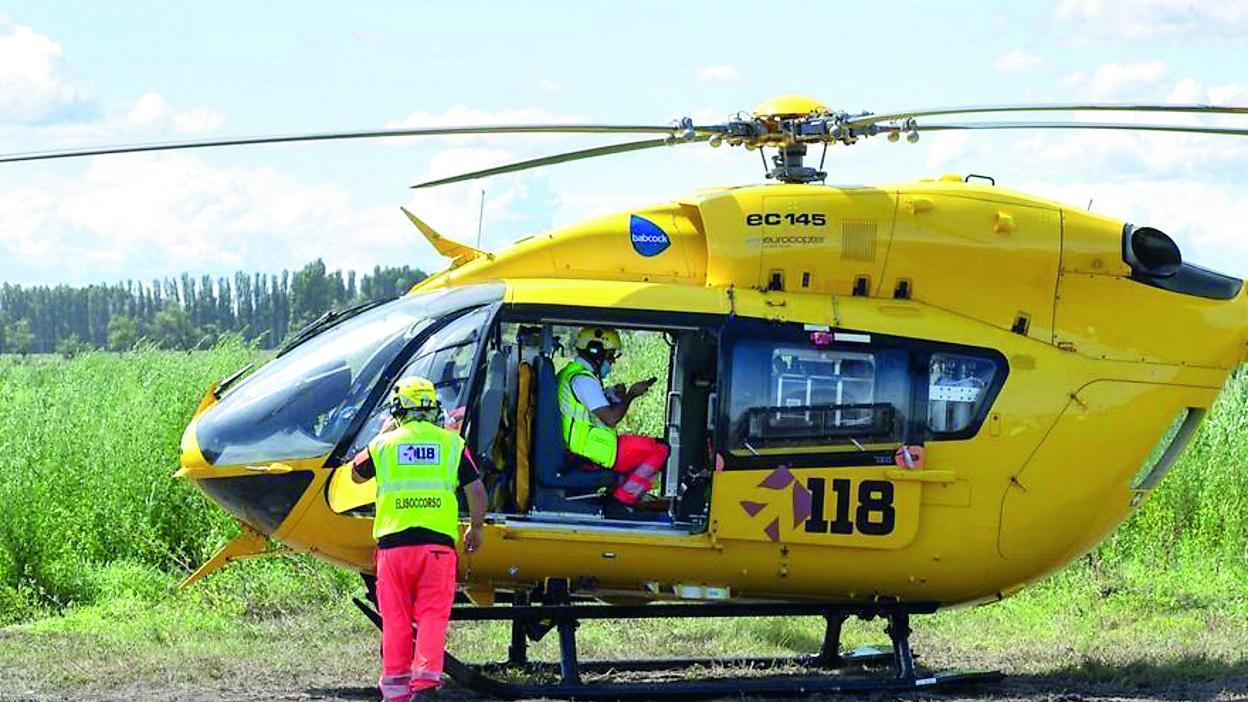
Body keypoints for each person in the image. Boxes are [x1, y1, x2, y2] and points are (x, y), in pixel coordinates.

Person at [350, 376, 487, 702]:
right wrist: (477, 528)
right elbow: (477, 491)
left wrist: (382, 435)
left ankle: (395, 691)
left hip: (393, 550)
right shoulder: (452, 443)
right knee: (432, 616)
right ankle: (425, 686)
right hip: (437, 549)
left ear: (397, 410)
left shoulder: (384, 445)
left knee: (396, 619)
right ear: (433, 409)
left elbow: (355, 475)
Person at [556, 326, 670, 508]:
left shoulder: (570, 373)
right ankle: (623, 501)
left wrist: (610, 394)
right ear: (596, 351)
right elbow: (611, 418)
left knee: (646, 448)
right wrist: (631, 395)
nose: (612, 362)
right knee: (661, 449)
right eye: (610, 356)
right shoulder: (583, 380)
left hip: (583, 448)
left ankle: (622, 493)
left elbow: (586, 409)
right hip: (592, 451)